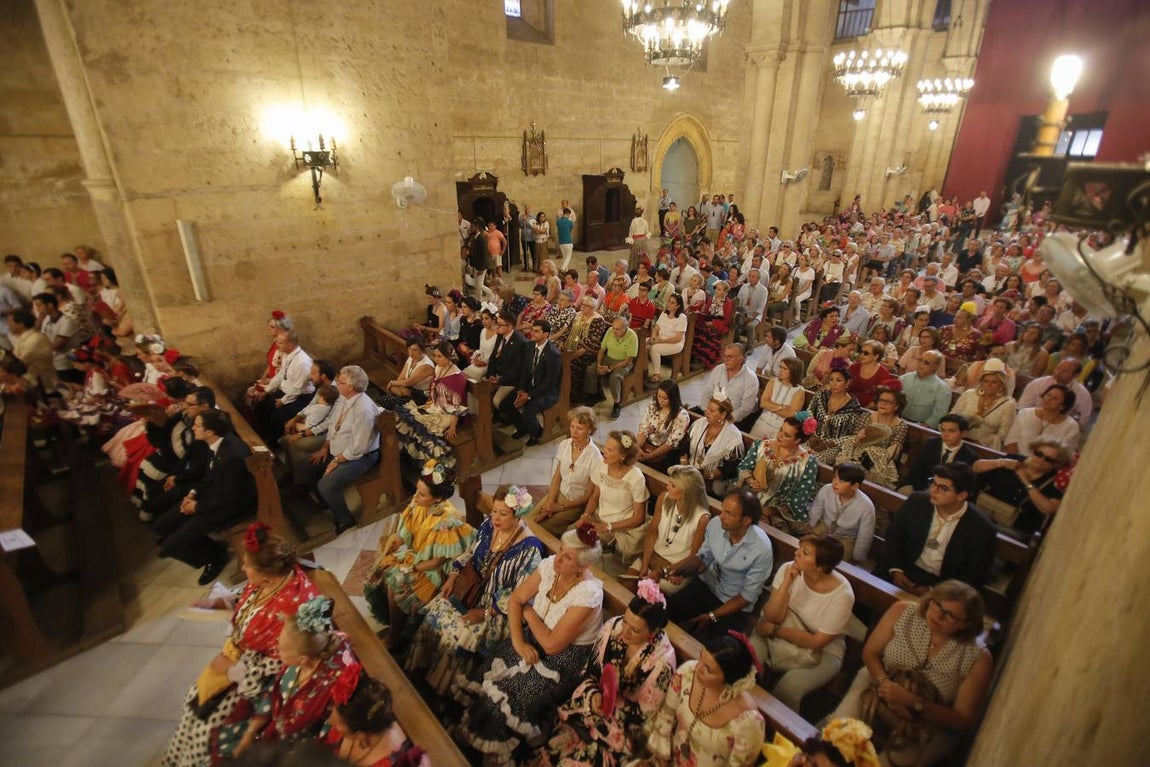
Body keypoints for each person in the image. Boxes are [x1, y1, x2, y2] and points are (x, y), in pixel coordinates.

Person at [160, 523, 319, 767]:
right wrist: (213, 605)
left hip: (255, 682)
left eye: (247, 565)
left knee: (208, 723)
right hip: (239, 663)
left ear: (265, 573)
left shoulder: (290, 611)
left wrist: (236, 672)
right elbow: (242, 597)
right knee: (193, 697)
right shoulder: (270, 581)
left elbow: (282, 671)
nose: (243, 568)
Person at [454, 525, 604, 762]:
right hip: (537, 637)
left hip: (564, 658)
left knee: (515, 697)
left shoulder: (589, 594)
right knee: (492, 666)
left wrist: (530, 615)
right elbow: (516, 600)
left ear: (583, 567)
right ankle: (470, 739)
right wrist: (518, 642)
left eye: (568, 557)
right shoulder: (549, 566)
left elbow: (553, 645)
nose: (558, 559)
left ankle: (497, 754)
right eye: (561, 550)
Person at [830, 582, 993, 766]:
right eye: (936, 604)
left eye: (950, 616)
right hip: (878, 683)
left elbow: (962, 720)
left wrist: (913, 703)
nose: (938, 615)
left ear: (965, 625)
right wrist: (886, 687)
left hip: (932, 723)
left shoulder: (978, 658)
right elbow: (871, 652)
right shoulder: (903, 611)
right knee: (836, 737)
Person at [406, 484, 545, 693]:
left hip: (498, 612)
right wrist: (453, 576)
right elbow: (471, 551)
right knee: (436, 609)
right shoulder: (490, 525)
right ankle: (420, 672)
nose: (495, 518)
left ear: (518, 516)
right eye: (494, 511)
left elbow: (520, 597)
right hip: (469, 592)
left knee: (460, 635)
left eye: (503, 514)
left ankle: (443, 690)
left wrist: (484, 612)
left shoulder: (530, 549)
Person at [534, 580, 677, 767]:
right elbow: (590, 670)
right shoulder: (613, 626)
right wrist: (594, 695)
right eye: (625, 621)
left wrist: (609, 705)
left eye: (634, 630)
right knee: (550, 749)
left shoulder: (662, 662)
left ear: (653, 632)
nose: (624, 631)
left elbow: (645, 714)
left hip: (622, 729)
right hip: (588, 705)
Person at [211, 596, 360, 760]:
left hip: (298, 752)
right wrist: (250, 733)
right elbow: (272, 695)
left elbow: (327, 736)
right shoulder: (312, 648)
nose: (276, 649)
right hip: (272, 730)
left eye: (281, 649)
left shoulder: (330, 687)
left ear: (302, 659)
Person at [363, 461, 475, 643]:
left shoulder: (447, 520)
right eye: (416, 491)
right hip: (417, 558)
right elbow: (407, 528)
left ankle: (397, 634)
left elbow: (436, 563)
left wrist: (411, 568)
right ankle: (394, 620)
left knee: (395, 584)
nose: (415, 497)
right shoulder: (419, 504)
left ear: (438, 499)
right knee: (382, 568)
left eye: (422, 495)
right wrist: (397, 540)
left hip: (432, 572)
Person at [752, 535, 855, 712]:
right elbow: (772, 615)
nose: (796, 553)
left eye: (804, 553)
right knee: (749, 661)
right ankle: (745, 712)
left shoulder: (843, 595)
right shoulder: (788, 569)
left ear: (821, 567)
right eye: (799, 548)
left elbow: (817, 642)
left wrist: (776, 631)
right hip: (781, 626)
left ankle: (780, 730)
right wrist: (786, 583)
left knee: (789, 687)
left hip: (823, 651)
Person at [154, 409, 256, 584]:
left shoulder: (232, 456)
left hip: (229, 507)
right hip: (212, 496)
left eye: (197, 425)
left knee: (172, 546)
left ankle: (214, 556)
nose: (193, 428)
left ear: (210, 432)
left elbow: (231, 497)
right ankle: (206, 545)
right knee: (161, 525)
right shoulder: (215, 444)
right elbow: (208, 476)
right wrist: (193, 493)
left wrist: (197, 507)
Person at [646, 633, 766, 767]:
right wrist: (661, 758)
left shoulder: (748, 721)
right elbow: (665, 718)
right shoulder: (687, 673)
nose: (698, 669)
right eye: (700, 659)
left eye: (708, 669)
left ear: (729, 678)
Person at [666, 489, 772, 637]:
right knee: (665, 613)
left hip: (732, 602)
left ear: (746, 520)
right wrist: (684, 572)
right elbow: (704, 558)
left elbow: (746, 597)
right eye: (723, 510)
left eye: (729, 513)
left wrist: (712, 615)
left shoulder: (762, 549)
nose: (721, 516)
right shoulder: (716, 524)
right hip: (707, 586)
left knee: (707, 646)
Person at [880, 463, 997, 594]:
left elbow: (974, 575)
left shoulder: (982, 529)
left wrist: (934, 591)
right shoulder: (916, 502)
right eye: (933, 483)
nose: (933, 490)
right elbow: (894, 537)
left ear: (962, 495)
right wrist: (896, 570)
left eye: (943, 488)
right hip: (904, 566)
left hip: (943, 584)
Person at [307, 365, 381, 535]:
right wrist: (325, 447)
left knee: (326, 485)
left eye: (340, 382)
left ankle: (345, 519)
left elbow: (359, 447)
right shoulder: (342, 398)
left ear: (351, 387)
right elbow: (333, 424)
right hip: (338, 450)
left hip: (361, 457)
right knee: (308, 465)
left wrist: (335, 461)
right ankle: (326, 501)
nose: (336, 385)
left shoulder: (364, 410)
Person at [625, 465, 710, 594]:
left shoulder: (702, 518)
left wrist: (663, 571)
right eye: (669, 482)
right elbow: (652, 532)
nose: (667, 486)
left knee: (650, 599)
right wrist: (645, 564)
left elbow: (694, 555)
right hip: (653, 557)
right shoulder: (663, 498)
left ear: (687, 491)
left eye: (673, 485)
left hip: (677, 568)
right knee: (626, 586)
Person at [737, 413, 820, 534]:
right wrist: (750, 480)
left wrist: (774, 510)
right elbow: (744, 467)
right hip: (750, 498)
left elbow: (801, 496)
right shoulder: (762, 445)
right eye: (781, 429)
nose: (779, 435)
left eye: (786, 435)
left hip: (778, 511)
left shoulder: (807, 463)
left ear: (798, 440)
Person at [394, 340, 469, 472]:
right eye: (435, 356)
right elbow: (434, 388)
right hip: (435, 406)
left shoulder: (457, 377)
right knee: (406, 418)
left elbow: (456, 405)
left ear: (449, 357)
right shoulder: (439, 368)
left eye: (439, 356)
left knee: (421, 426)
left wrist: (453, 427)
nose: (436, 359)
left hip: (448, 414)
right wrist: (429, 401)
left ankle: (435, 465)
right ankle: (413, 457)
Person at [323, 675, 429, 767]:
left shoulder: (402, 761)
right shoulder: (348, 716)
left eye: (338, 723)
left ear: (361, 734)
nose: (330, 721)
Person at [972, 438, 1071, 536]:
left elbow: (1049, 509)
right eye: (1039, 454)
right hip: (982, 512)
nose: (1041, 460)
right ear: (1033, 451)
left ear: (1057, 464)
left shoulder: (1052, 482)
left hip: (1014, 529)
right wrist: (1002, 462)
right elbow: (976, 467)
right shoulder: (1015, 459)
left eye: (1049, 459)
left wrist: (1026, 481)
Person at [577, 431, 649, 559]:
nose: (604, 451)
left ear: (622, 456)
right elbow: (595, 496)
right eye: (605, 447)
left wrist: (608, 527)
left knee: (581, 550)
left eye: (609, 450)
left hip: (619, 528)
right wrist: (586, 515)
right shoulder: (602, 465)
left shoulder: (636, 477)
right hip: (599, 519)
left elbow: (639, 517)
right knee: (570, 535)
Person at [535, 407, 603, 537]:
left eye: (580, 428)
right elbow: (556, 477)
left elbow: (588, 495)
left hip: (575, 504)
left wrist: (558, 508)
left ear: (589, 430)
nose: (574, 432)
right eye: (572, 426)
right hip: (558, 494)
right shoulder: (565, 445)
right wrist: (550, 502)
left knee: (541, 529)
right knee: (530, 519)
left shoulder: (595, 457)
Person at [501, 319, 562, 444]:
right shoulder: (529, 346)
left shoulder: (553, 354)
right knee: (505, 405)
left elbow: (550, 382)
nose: (532, 333)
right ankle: (522, 428)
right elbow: (524, 370)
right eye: (532, 330)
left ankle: (537, 432)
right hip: (528, 388)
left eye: (536, 331)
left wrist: (528, 396)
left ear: (546, 334)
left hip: (546, 392)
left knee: (527, 414)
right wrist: (521, 390)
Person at [252, 330, 315, 444]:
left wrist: (283, 400)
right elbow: (281, 374)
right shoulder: (287, 354)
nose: (276, 344)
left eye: (280, 342)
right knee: (261, 405)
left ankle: (274, 443)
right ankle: (263, 437)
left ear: (290, 345)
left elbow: (298, 388)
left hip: (301, 398)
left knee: (277, 417)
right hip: (287, 392)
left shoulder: (302, 363)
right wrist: (267, 390)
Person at [808, 462, 876, 562]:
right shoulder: (826, 489)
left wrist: (857, 557)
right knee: (809, 549)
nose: (835, 483)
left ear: (855, 486)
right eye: (835, 477)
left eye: (841, 480)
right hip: (825, 526)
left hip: (846, 537)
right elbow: (816, 510)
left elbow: (865, 535)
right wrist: (810, 527)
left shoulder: (866, 506)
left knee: (839, 561)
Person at [949, 359, 1016, 450]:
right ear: (981, 382)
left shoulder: (1008, 404)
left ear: (1001, 385)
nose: (989, 385)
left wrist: (982, 443)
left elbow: (1003, 434)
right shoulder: (969, 394)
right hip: (958, 440)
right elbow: (952, 415)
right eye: (986, 381)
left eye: (994, 382)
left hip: (984, 448)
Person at [680, 397, 745, 489]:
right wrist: (684, 463)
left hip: (712, 481)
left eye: (711, 411)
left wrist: (705, 476)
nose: (706, 412)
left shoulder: (734, 437)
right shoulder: (699, 424)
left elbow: (730, 468)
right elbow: (684, 447)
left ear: (723, 414)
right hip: (688, 470)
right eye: (707, 408)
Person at [807, 368, 869, 464]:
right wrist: (812, 435)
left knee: (811, 460)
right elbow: (809, 413)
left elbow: (852, 436)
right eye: (831, 380)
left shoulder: (853, 408)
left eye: (838, 380)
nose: (833, 384)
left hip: (834, 447)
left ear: (847, 382)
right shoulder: (821, 396)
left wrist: (828, 444)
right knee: (797, 454)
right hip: (813, 440)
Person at [906, 414, 978, 492]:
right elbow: (917, 470)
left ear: (963, 433)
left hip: (946, 494)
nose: (945, 435)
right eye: (943, 430)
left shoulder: (969, 456)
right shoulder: (931, 444)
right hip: (921, 486)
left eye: (951, 431)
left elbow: (961, 484)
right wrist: (922, 491)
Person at [585, 315, 637, 420]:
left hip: (623, 362)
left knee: (615, 377)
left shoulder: (632, 336)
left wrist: (609, 368)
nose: (614, 331)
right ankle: (594, 395)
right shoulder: (610, 331)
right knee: (590, 369)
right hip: (608, 357)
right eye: (613, 328)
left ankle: (617, 403)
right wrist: (599, 363)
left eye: (617, 329)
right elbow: (602, 349)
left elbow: (628, 361)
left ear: (625, 329)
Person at [1004, 383, 1081, 454]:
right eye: (1048, 395)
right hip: (1016, 461)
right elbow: (1011, 441)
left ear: (1063, 406)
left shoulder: (1071, 426)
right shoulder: (1025, 413)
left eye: (1055, 398)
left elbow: (1065, 454)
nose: (1049, 399)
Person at [1016, 357, 1094, 427]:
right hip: (1030, 423)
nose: (1058, 372)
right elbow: (1022, 408)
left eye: (1065, 371)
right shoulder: (1037, 383)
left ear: (1076, 375)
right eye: (1057, 368)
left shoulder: (1083, 395)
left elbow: (1082, 421)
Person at [697, 343, 760, 429]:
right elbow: (707, 392)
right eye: (725, 356)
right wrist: (705, 411)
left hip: (733, 421)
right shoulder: (718, 369)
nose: (726, 360)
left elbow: (746, 407)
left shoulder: (751, 379)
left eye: (730, 357)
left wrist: (726, 420)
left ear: (741, 359)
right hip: (711, 413)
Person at [635, 380, 691, 472]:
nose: (660, 400)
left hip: (666, 453)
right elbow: (643, 428)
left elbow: (670, 444)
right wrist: (638, 448)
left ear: (673, 398)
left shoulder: (682, 416)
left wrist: (647, 457)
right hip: (647, 445)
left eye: (665, 398)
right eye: (659, 396)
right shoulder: (653, 406)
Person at [750, 357, 805, 439]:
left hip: (780, 428)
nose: (780, 370)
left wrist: (770, 405)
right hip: (762, 422)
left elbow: (790, 414)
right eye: (780, 367)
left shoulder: (799, 391)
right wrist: (782, 407)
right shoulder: (773, 381)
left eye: (785, 368)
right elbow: (763, 403)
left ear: (793, 372)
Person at [899, 350, 951, 428]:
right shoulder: (904, 378)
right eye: (920, 360)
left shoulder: (942, 387)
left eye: (926, 362)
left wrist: (925, 426)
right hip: (898, 420)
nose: (921, 364)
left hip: (922, 427)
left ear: (936, 366)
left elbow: (940, 413)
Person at [692, 280, 734, 369]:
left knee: (707, 334)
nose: (716, 291)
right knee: (696, 330)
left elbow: (727, 320)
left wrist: (713, 323)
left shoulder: (728, 303)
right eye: (716, 289)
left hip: (720, 323)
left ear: (725, 292)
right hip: (708, 320)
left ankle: (705, 360)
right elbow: (706, 312)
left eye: (719, 289)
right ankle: (695, 356)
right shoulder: (711, 299)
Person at [647, 294, 687, 382]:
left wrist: (661, 340)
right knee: (644, 342)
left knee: (654, 348)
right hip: (661, 338)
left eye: (672, 303)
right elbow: (656, 328)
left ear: (678, 306)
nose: (669, 304)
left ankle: (657, 373)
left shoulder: (682, 318)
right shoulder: (664, 313)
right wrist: (653, 337)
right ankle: (643, 370)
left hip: (675, 344)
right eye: (668, 301)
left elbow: (678, 338)